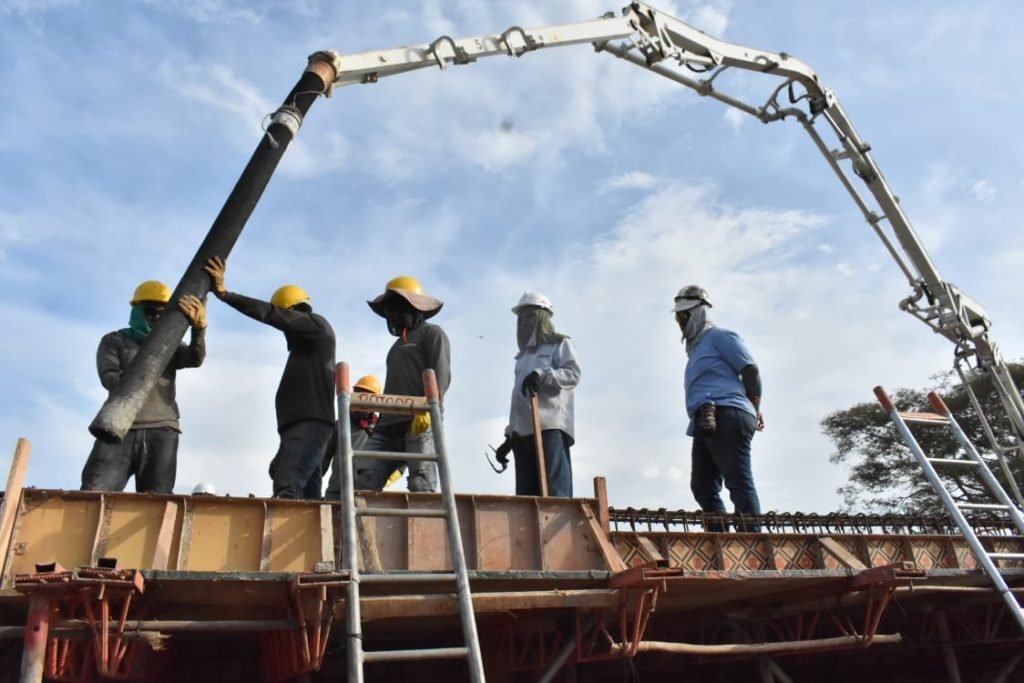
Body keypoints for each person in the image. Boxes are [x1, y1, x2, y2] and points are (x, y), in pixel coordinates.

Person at [204, 256, 336, 500]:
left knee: (288, 487)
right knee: (307, 495)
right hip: (301, 428)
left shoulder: (317, 326)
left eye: (285, 318)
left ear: (292, 311)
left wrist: (225, 294)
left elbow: (270, 314)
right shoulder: (304, 350)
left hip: (309, 425)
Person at [81, 280, 207, 494]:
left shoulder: (171, 344)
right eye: (150, 310)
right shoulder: (115, 341)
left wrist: (199, 329)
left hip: (162, 430)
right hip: (117, 429)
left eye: (162, 312)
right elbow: (109, 379)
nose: (156, 316)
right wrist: (148, 360)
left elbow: (195, 358)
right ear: (136, 310)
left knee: (156, 500)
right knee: (94, 492)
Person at [673, 285, 764, 531]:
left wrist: (754, 406)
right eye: (678, 317)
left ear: (699, 312)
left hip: (727, 412)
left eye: (685, 315)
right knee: (703, 486)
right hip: (704, 418)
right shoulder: (697, 350)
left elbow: (750, 369)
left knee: (737, 479)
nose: (681, 322)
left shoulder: (720, 337)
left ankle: (753, 541)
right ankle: (720, 540)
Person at [354, 276, 450, 493]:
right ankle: (363, 526)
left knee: (421, 482)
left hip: (419, 421)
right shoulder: (395, 347)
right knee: (363, 475)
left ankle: (428, 525)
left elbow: (441, 375)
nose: (391, 316)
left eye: (395, 309)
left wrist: (429, 409)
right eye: (388, 311)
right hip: (388, 426)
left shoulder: (432, 334)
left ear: (411, 306)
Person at [493, 292, 580, 497]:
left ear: (542, 317)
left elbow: (573, 374)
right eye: (521, 318)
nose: (524, 322)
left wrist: (542, 374)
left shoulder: (560, 344)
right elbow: (518, 400)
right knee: (526, 497)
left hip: (549, 427)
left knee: (555, 492)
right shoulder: (522, 358)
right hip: (522, 434)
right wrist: (509, 436)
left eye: (530, 316)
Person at [323, 374, 382, 499]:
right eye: (360, 395)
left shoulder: (380, 429)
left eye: (369, 397)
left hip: (365, 495)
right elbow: (323, 460)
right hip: (336, 492)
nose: (364, 402)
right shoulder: (340, 425)